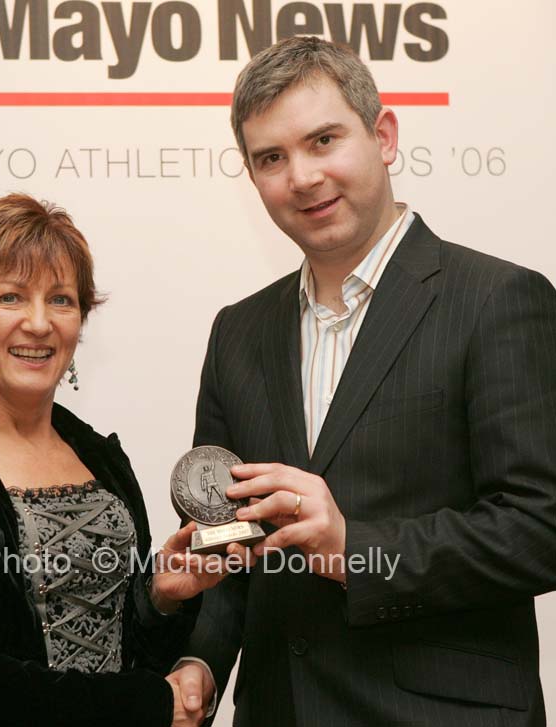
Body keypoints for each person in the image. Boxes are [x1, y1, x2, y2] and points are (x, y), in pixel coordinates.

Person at [169, 36, 556, 726]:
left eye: (323, 140)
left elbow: (539, 527)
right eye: (272, 158)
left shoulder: (497, 299)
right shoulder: (238, 331)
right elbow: (230, 541)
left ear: (383, 136)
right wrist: (198, 660)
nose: (303, 176)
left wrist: (356, 548)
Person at [0, 193, 223, 727]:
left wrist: (160, 601)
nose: (38, 323)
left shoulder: (101, 457)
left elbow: (134, 653)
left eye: (60, 299)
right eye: (10, 297)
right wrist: (148, 706)